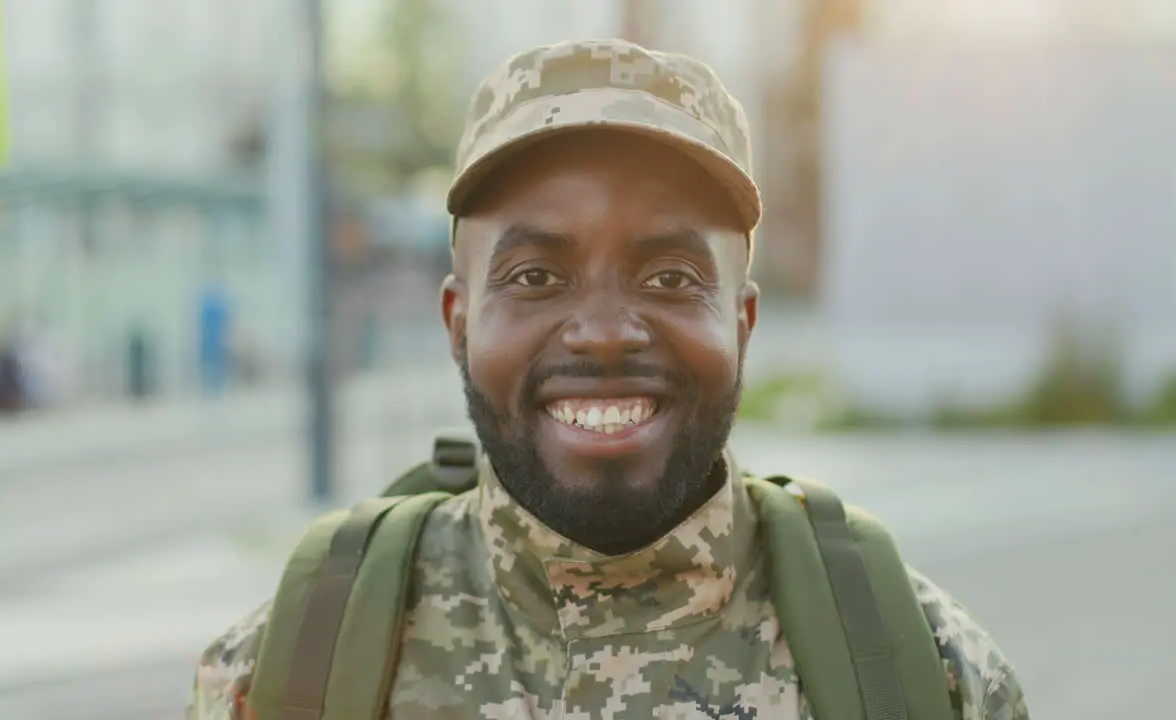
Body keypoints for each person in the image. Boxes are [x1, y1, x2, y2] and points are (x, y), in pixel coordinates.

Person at [186, 39, 1029, 720]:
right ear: (459, 323)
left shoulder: (930, 674)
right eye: (534, 278)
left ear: (741, 324)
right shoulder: (289, 671)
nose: (602, 333)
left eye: (669, 277)